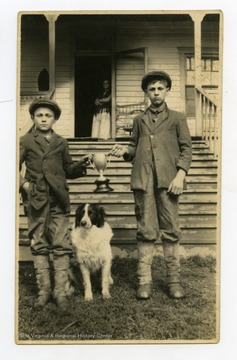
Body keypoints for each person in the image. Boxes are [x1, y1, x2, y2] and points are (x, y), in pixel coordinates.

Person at [109, 71, 192, 300]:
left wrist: (180, 176)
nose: (156, 93)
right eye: (151, 89)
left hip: (169, 182)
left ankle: (173, 281)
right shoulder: (138, 120)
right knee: (146, 230)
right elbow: (134, 148)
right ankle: (144, 281)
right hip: (143, 182)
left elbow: (187, 149)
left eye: (160, 88)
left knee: (171, 230)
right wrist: (125, 151)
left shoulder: (177, 118)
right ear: (146, 93)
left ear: (167, 90)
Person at [19, 98, 91, 311]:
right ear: (33, 118)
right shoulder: (25, 141)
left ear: (55, 119)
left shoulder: (61, 142)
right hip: (36, 201)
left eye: (48, 115)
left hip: (58, 202)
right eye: (39, 115)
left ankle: (61, 292)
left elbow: (67, 169)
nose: (43, 119)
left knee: (61, 245)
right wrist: (24, 184)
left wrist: (80, 165)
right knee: (39, 245)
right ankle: (44, 292)